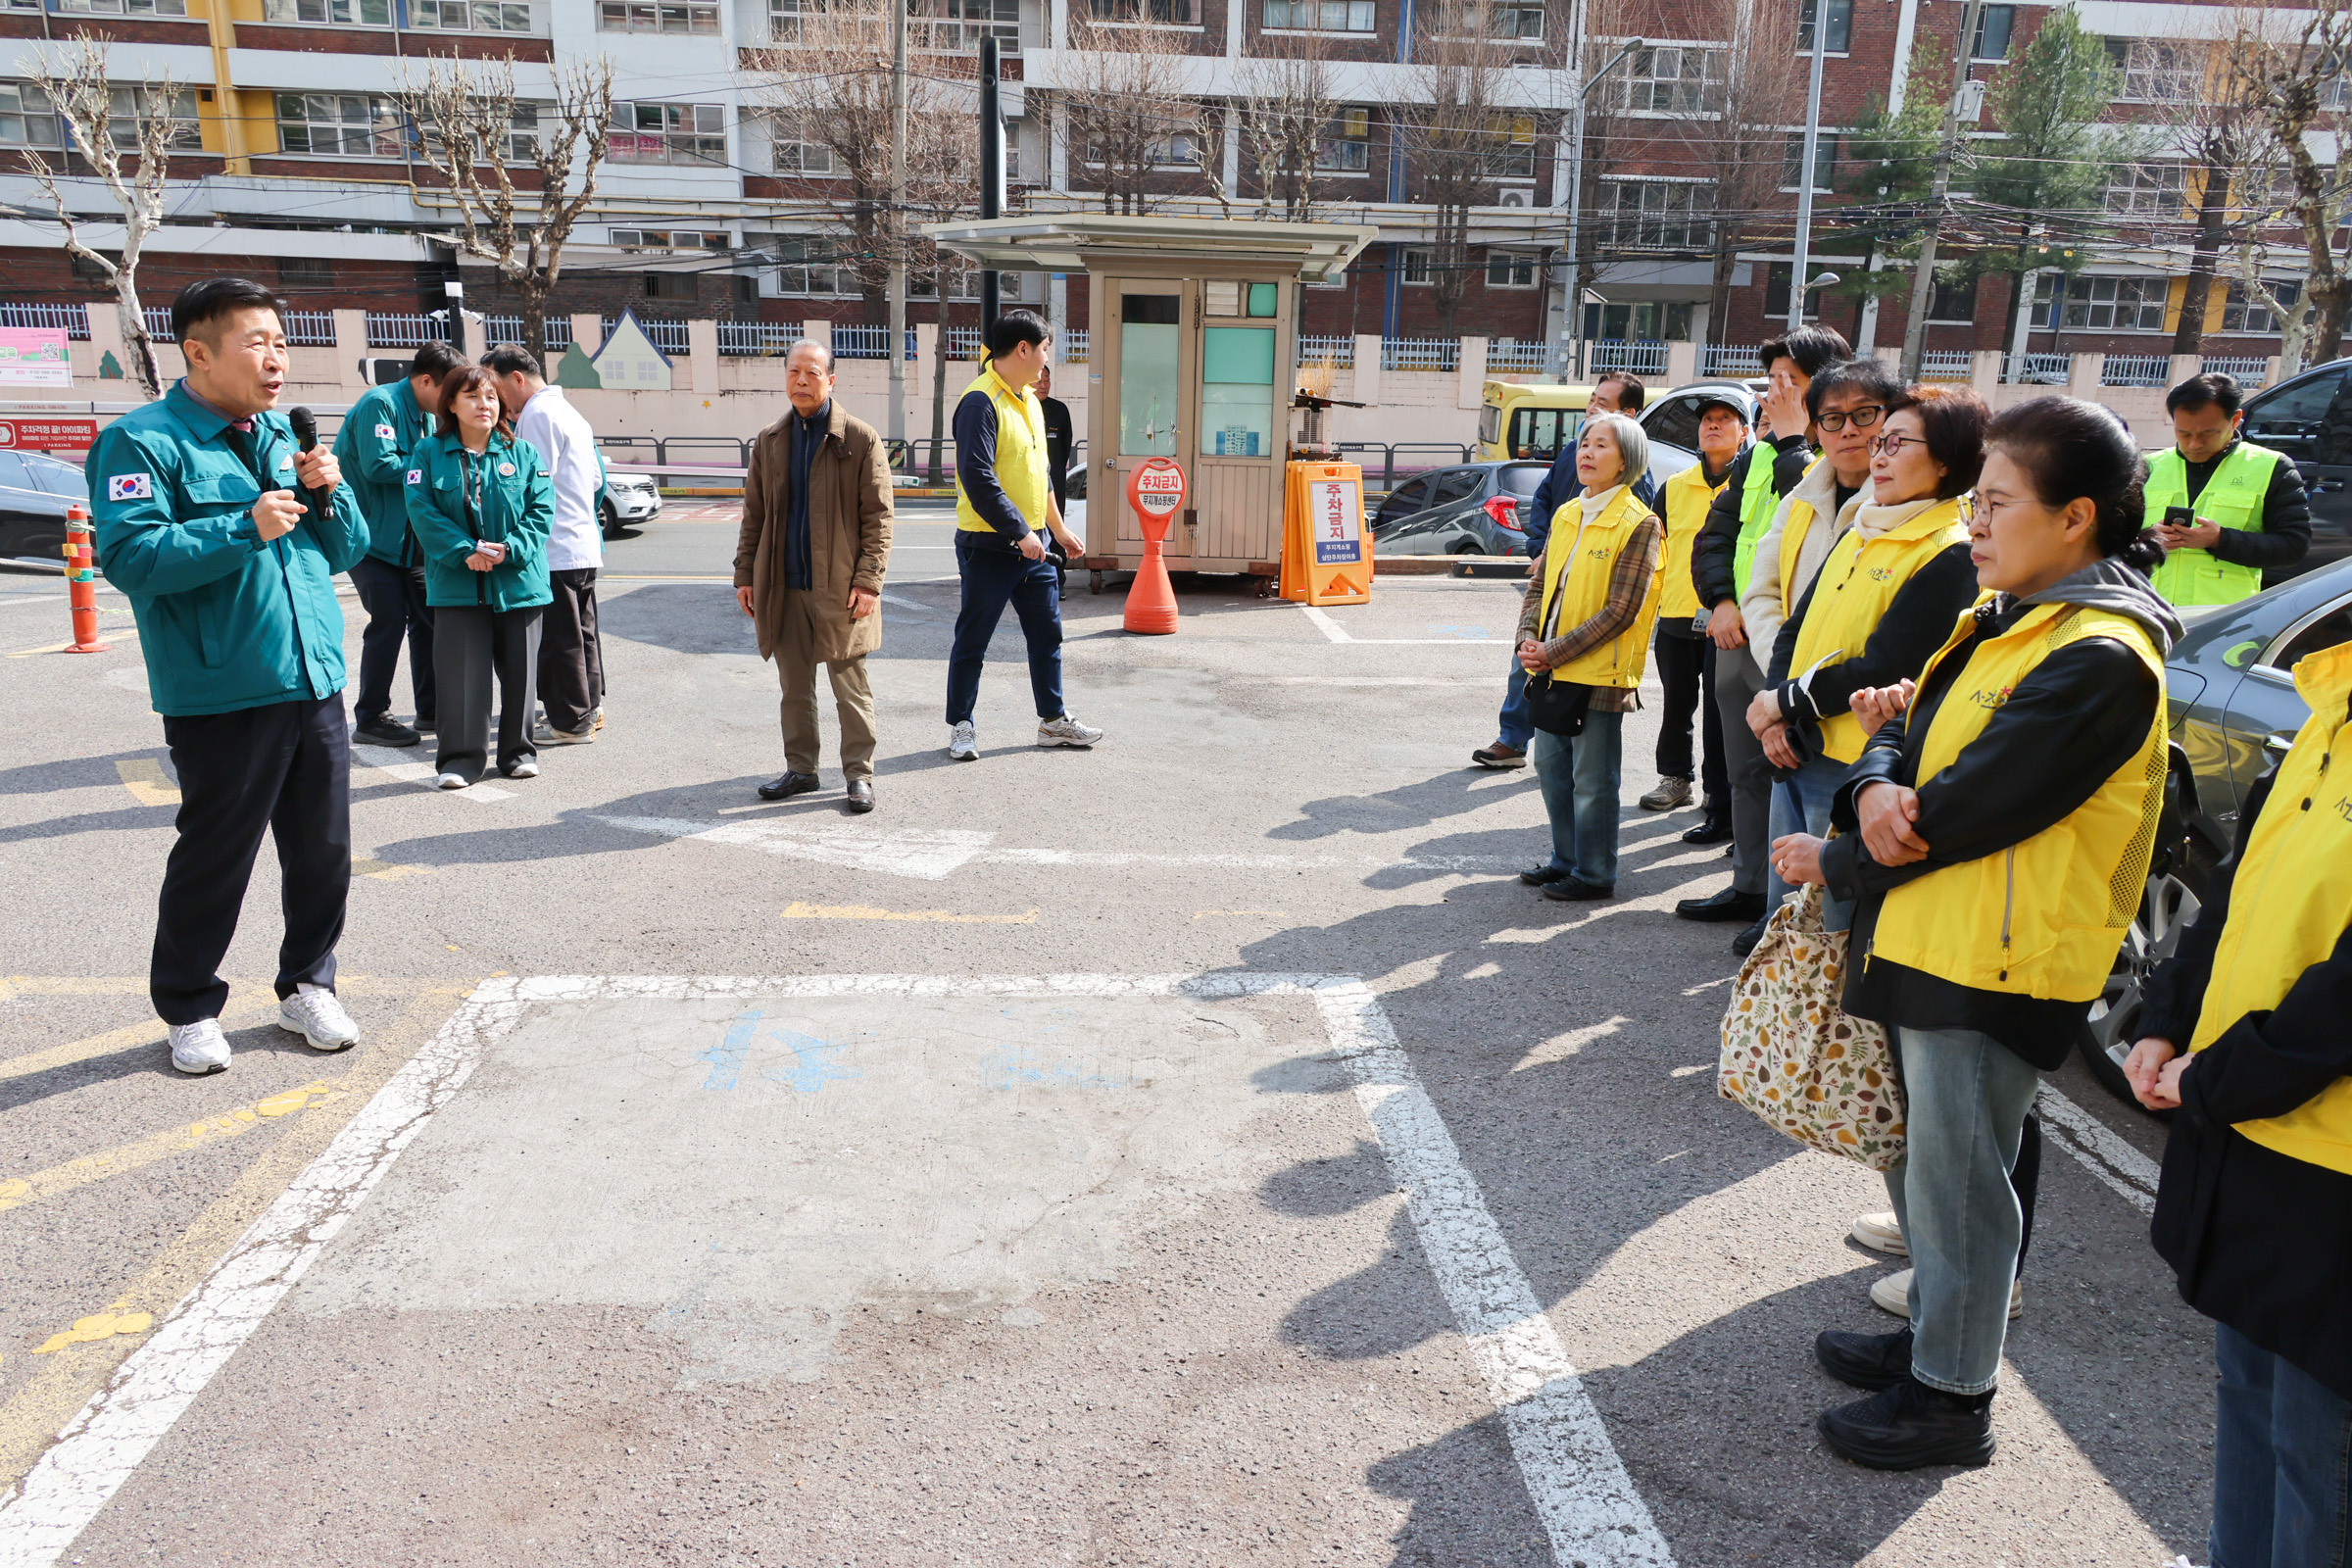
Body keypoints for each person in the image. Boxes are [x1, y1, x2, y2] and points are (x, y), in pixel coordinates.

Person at [1773, 395, 2180, 1469]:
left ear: (2077, 516)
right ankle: (1930, 1348)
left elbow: (1955, 809)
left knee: (1961, 1189)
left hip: (1992, 960)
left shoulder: (2101, 655)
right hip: (1930, 938)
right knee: (1926, 1171)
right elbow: (1899, 738)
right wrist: (1869, 780)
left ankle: (1953, 1398)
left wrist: (1852, 837)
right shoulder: (2009, 618)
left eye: (1997, 503)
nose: (1977, 524)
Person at [88, 276, 371, 1075]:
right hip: (222, 687)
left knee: (323, 851)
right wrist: (239, 525)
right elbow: (131, 558)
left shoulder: (286, 433)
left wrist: (333, 493)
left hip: (313, 677)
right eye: (257, 342)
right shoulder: (143, 442)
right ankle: (187, 1005)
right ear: (199, 351)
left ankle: (308, 983)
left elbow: (344, 551)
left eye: (281, 342)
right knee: (217, 854)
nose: (275, 357)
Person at [2131, 635, 2352, 1568]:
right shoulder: (2328, 705)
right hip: (2259, 1136)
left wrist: (2219, 1078)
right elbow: (2233, 896)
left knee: (2321, 1464)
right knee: (2251, 1404)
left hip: (2330, 1167)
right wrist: (2166, 1017)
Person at [1748, 383, 1984, 934]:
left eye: (1897, 443)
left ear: (1947, 460)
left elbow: (1883, 667)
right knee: (1785, 921)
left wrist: (1782, 703)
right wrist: (1777, 710)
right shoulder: (1866, 522)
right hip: (1800, 746)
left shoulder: (1949, 550)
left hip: (1854, 767)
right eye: (1879, 443)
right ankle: (1777, 1021)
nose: (1878, 456)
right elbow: (1796, 627)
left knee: (1832, 929)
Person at [1708, 353, 1889, 956]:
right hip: (1785, 700)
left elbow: (1884, 642)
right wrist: (1781, 698)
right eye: (1832, 419)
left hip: (1852, 724)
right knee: (1788, 872)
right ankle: (1776, 960)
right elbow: (1763, 593)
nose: (1849, 432)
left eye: (1865, 416)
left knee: (1831, 898)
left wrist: (1789, 703)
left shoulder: (1898, 510)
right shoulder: (1800, 495)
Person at [1678, 325, 1850, 925]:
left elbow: (1810, 512)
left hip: (1794, 644)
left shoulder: (1826, 457)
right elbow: (1716, 535)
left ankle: (1796, 909)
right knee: (1746, 769)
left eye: (1791, 383)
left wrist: (1793, 441)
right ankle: (1750, 886)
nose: (1774, 393)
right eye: (1771, 380)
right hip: (1737, 635)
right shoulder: (1754, 457)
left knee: (1795, 769)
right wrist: (1722, 601)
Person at [733, 340, 894, 813]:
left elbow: (879, 518)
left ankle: (859, 775)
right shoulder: (770, 440)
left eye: (812, 373)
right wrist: (746, 573)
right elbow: (754, 516)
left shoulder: (859, 439)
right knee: (794, 688)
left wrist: (868, 581)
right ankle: (801, 769)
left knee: (851, 688)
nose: (801, 381)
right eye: (793, 372)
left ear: (830, 379)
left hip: (842, 589)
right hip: (784, 586)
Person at [1513, 413, 1664, 901]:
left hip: (1600, 673)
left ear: (1626, 461)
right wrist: (1526, 640)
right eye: (1584, 443)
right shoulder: (1567, 514)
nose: (1587, 452)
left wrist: (1551, 651)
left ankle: (1595, 873)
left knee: (1593, 780)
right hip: (1552, 667)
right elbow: (1540, 586)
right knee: (1552, 770)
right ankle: (1566, 860)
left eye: (1601, 445)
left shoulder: (1640, 523)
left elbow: (1621, 611)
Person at [1473, 371, 1657, 771]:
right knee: (1524, 666)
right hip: (1551, 599)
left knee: (1587, 775)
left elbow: (1622, 604)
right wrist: (1542, 550)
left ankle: (1553, 753)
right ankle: (1513, 739)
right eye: (1592, 400)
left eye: (1603, 405)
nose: (1592, 409)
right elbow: (1543, 502)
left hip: (1590, 636)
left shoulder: (1636, 497)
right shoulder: (1572, 457)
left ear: (1628, 416)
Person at [946, 309, 1099, 761]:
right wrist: (1019, 533)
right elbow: (977, 478)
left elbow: (1042, 476)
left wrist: (1058, 530)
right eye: (1045, 348)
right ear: (1024, 349)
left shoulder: (1030, 400)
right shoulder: (980, 402)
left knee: (1046, 634)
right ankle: (961, 725)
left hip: (1036, 546)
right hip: (990, 546)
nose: (1048, 358)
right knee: (974, 639)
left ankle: (1053, 722)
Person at [406, 364, 555, 788]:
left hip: (518, 583)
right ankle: (460, 761)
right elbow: (422, 510)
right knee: (461, 678)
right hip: (456, 584)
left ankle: (518, 752)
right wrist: (464, 551)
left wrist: (510, 550)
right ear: (451, 403)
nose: (483, 405)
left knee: (521, 675)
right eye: (472, 396)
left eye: (490, 397)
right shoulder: (428, 453)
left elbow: (542, 509)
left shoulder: (522, 453)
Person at [336, 339, 466, 748]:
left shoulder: (426, 414)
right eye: (447, 393)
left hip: (410, 543)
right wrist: (432, 463)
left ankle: (430, 708)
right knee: (388, 623)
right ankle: (371, 716)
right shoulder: (381, 403)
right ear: (425, 380)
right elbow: (379, 466)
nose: (449, 404)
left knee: (430, 621)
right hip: (371, 541)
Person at [485, 343, 606, 746]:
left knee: (559, 638)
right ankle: (588, 708)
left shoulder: (537, 414)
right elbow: (593, 481)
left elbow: (526, 483)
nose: (494, 399)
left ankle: (570, 722)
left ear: (516, 379)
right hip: (582, 540)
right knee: (582, 632)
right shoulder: (570, 411)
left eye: (496, 388)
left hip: (553, 546)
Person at [1641, 393, 1745, 816]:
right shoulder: (1674, 487)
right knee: (1676, 705)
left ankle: (1718, 791)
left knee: (1722, 712)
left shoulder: (1752, 486)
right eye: (1706, 421)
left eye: (1724, 419)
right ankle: (1676, 779)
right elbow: (1656, 553)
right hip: (1677, 615)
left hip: (1727, 618)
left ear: (1743, 433)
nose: (1713, 426)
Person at [2146, 371, 2310, 607]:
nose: (2194, 444)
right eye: (2183, 433)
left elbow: (2293, 546)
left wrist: (2220, 540)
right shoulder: (2150, 467)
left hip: (2225, 619)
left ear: (2235, 420)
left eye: (2207, 433)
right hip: (2151, 613)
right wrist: (2149, 538)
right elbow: (2112, 540)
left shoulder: (2272, 467)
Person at [1037, 359, 1076, 590]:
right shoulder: (1022, 407)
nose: (1043, 385)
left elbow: (1065, 445)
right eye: (1039, 380)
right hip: (1028, 489)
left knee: (1056, 533)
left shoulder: (1059, 410)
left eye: (1047, 380)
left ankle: (1058, 581)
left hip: (1055, 486)